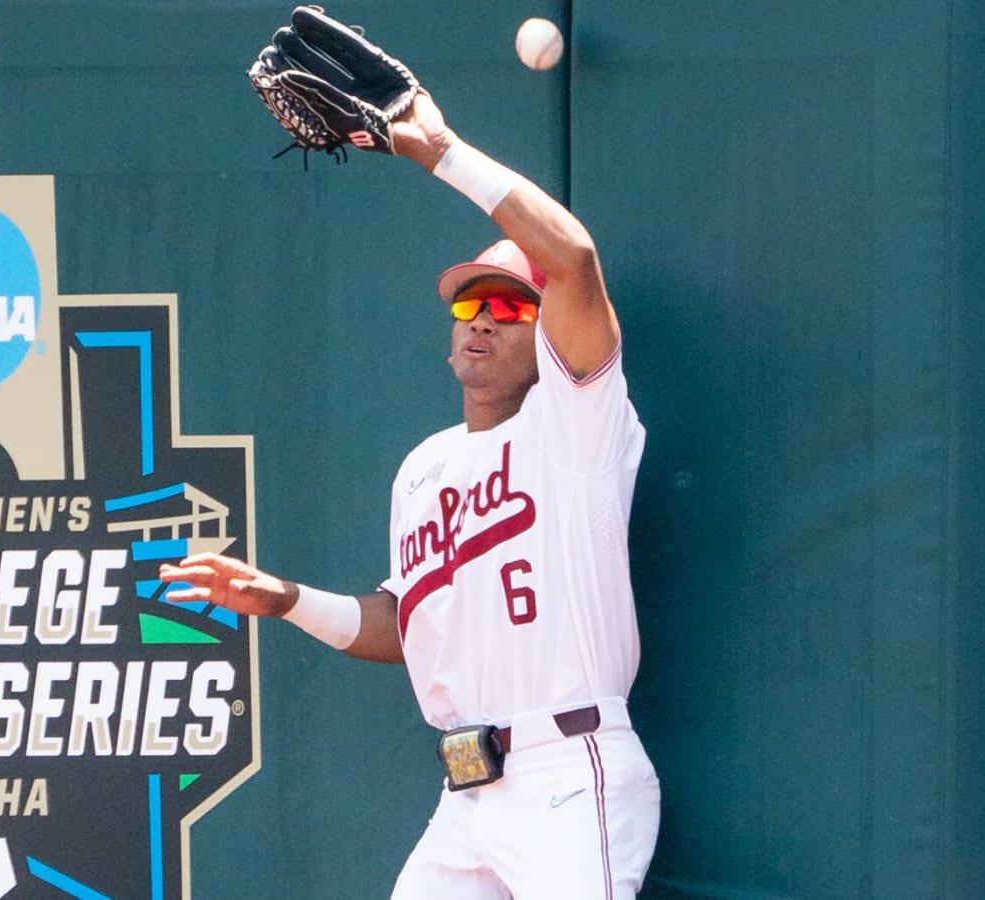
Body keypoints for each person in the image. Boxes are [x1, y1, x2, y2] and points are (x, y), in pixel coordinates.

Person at [158, 89, 661, 899]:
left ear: (550, 330)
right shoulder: (424, 467)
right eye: (470, 304)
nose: (481, 321)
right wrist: (285, 598)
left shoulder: (578, 425)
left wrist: (441, 153)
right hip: (468, 791)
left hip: (571, 769)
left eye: (508, 306)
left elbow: (573, 262)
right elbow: (407, 621)